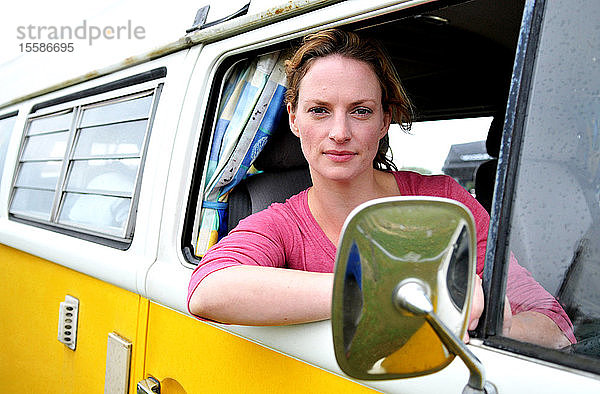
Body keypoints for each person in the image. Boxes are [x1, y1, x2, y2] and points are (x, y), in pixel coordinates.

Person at [188, 28, 575, 348]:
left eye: (360, 111)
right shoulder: (282, 223)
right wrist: (388, 287)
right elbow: (208, 290)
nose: (339, 133)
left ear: (385, 119)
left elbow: (555, 328)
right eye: (319, 110)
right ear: (293, 118)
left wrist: (489, 322)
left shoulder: (441, 201)